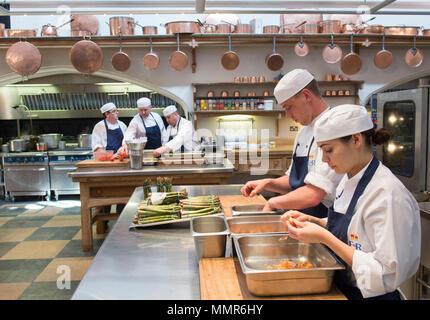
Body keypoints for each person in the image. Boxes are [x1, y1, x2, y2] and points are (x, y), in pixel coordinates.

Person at [282, 104, 421, 300]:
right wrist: (316, 222)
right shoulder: (348, 179)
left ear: (356, 139)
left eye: (328, 150)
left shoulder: (387, 194)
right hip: (342, 289)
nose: (324, 159)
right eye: (321, 150)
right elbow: (355, 230)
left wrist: (324, 237)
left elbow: (386, 274)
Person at [241, 69, 342, 218]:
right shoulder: (303, 133)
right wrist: (268, 183)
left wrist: (273, 202)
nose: (288, 115)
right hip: (301, 219)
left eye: (289, 107)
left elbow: (313, 194)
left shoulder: (335, 127)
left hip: (325, 219)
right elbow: (293, 180)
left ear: (306, 96)